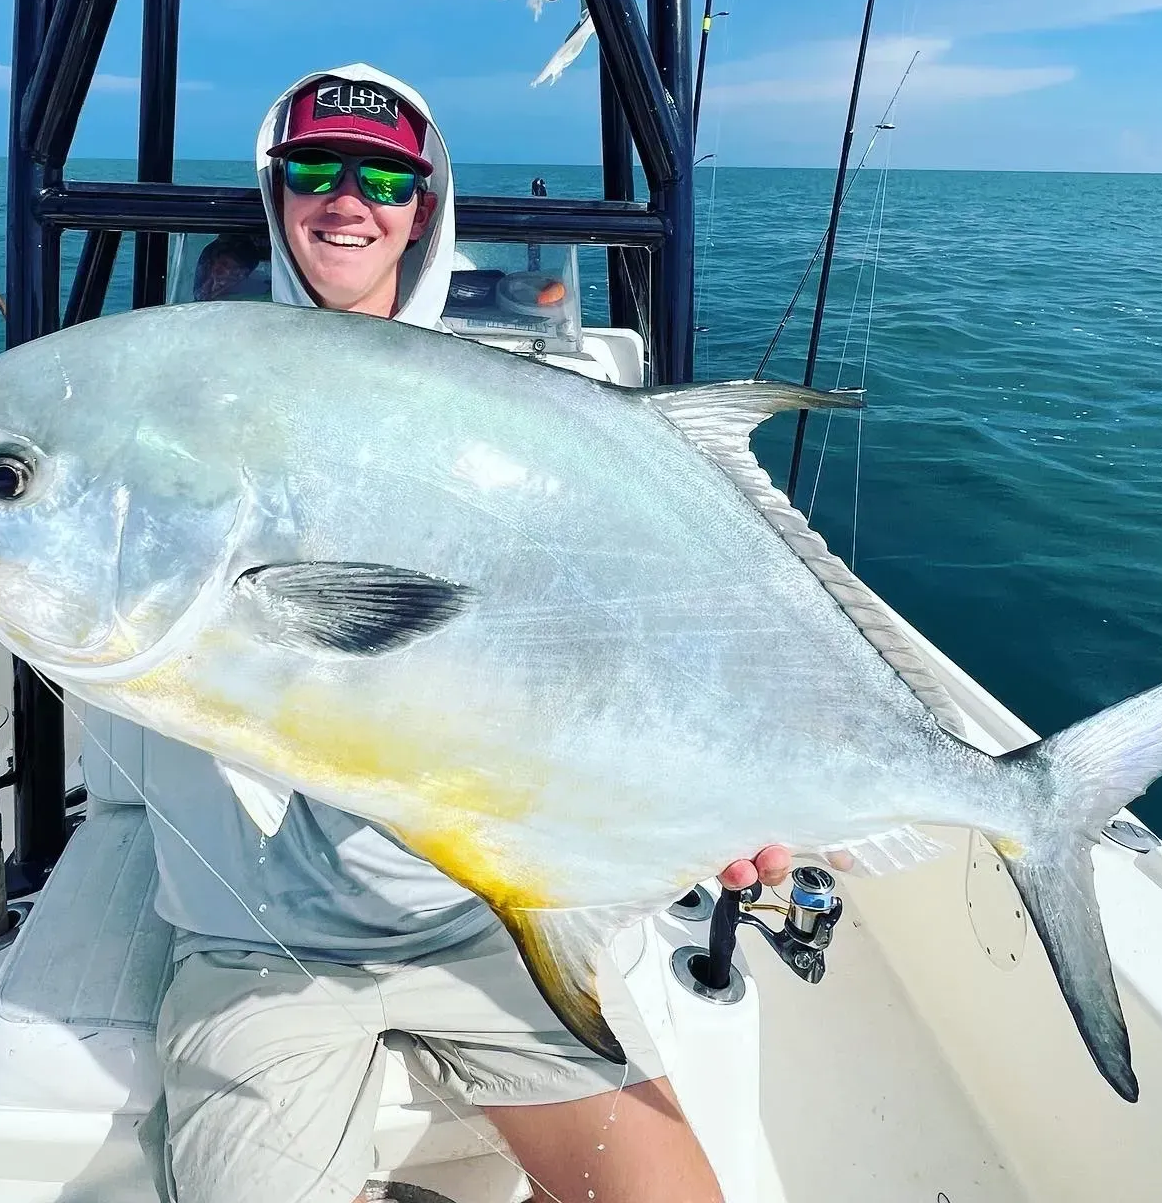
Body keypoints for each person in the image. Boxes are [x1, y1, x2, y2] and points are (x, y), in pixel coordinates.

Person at [142, 62, 793, 1203]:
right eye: (312, 168)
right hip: (255, 949)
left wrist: (710, 807)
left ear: (425, 203)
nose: (346, 199)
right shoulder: (189, 393)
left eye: (384, 177)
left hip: (492, 920)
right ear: (272, 190)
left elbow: (619, 638)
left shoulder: (515, 418)